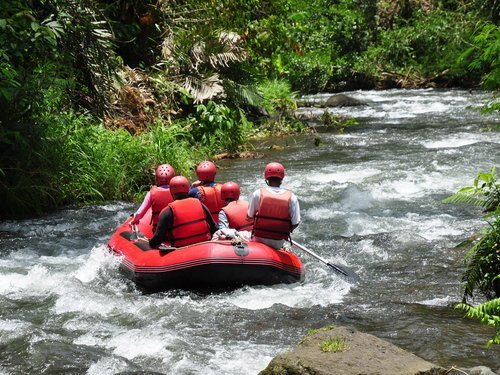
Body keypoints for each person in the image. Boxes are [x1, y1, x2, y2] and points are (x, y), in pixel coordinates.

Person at [149, 176, 218, 248]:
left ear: (171, 191)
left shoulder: (167, 212)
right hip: (205, 247)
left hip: (182, 251)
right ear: (188, 189)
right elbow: (214, 228)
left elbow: (158, 239)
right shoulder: (200, 204)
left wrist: (149, 243)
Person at [247, 162, 300, 249]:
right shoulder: (292, 197)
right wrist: (284, 231)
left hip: (259, 239)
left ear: (266, 177)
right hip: (279, 242)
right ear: (282, 178)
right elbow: (295, 223)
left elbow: (249, 216)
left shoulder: (258, 193)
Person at [131, 164, 175, 229]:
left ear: (156, 178)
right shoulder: (177, 191)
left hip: (159, 232)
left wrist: (133, 220)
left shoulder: (151, 193)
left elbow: (139, 213)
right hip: (176, 231)